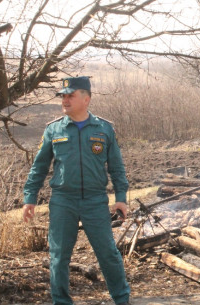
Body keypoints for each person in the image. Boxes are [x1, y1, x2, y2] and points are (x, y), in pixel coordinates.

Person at [22, 76, 131, 305]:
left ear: (86, 99)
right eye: (63, 96)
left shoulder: (104, 129)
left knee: (108, 254)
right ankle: (61, 302)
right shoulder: (53, 130)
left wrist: (120, 198)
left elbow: (117, 168)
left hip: (95, 201)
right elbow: (39, 167)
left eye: (70, 95)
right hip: (63, 201)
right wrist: (29, 198)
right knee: (59, 257)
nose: (65, 100)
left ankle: (121, 299)